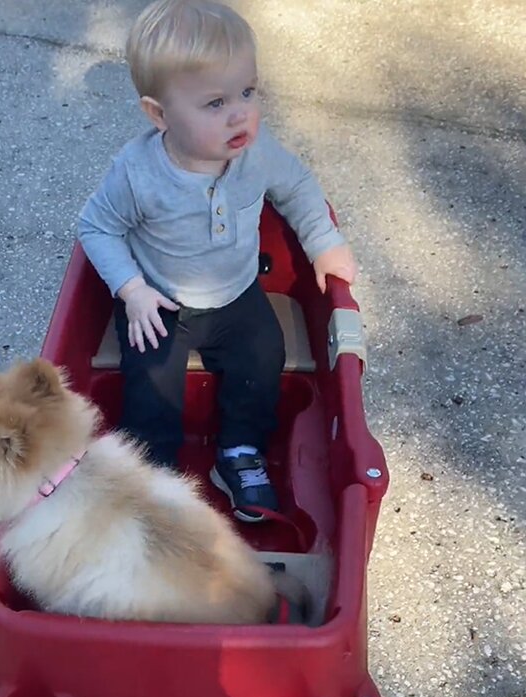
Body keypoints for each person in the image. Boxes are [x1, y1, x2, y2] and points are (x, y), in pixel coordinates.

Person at [76, 0, 358, 522]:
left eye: (248, 92)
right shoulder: (138, 173)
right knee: (151, 386)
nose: (240, 113)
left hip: (236, 294)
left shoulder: (257, 151)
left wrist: (323, 242)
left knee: (264, 355)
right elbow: (97, 227)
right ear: (159, 114)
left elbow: (297, 187)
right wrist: (132, 290)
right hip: (160, 300)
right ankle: (153, 474)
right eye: (214, 103)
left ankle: (239, 452)